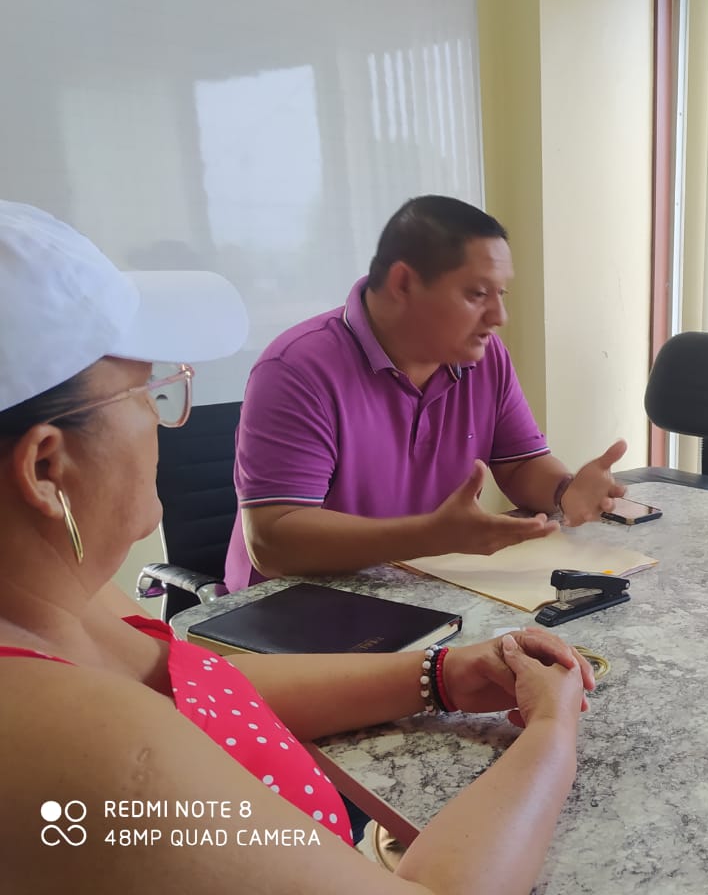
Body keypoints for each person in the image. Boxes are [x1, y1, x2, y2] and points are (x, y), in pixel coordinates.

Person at [0, 201, 595, 893]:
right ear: (46, 468)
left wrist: (442, 675)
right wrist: (552, 732)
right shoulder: (89, 745)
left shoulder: (64, 601)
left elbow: (204, 688)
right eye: (144, 391)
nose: (162, 418)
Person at [226, 194, 627, 592]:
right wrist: (430, 537)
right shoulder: (296, 369)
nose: (499, 317)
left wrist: (565, 491)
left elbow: (520, 464)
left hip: (416, 586)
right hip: (292, 606)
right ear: (403, 283)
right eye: (477, 294)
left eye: (500, 294)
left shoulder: (485, 357)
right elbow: (272, 543)